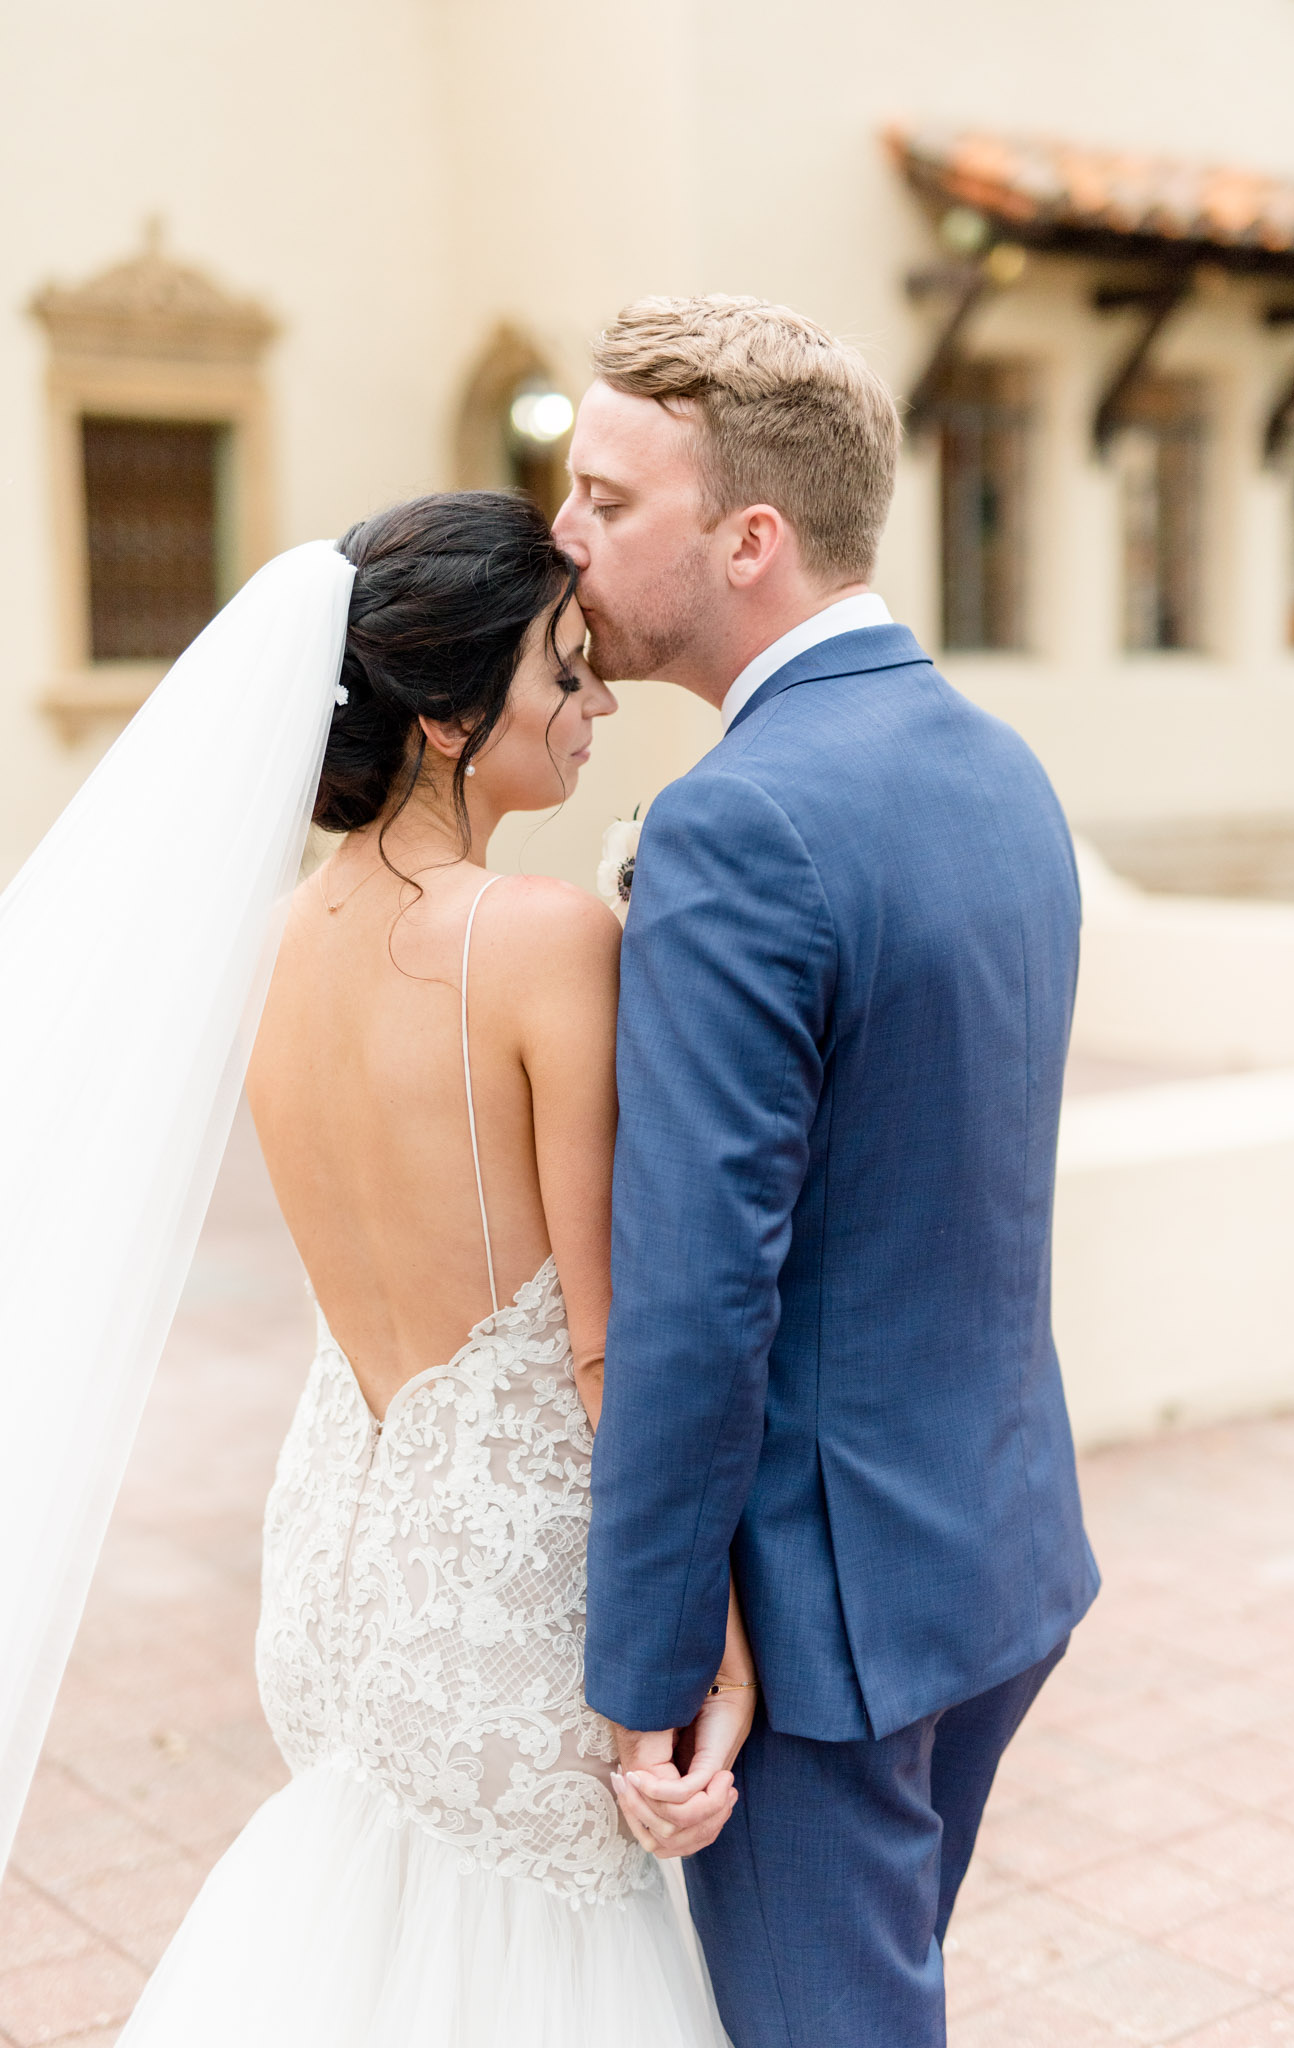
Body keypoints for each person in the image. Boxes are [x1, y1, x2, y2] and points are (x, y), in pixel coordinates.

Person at [110, 493, 739, 2046]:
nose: (597, 708)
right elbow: (608, 1350)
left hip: (341, 1566)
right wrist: (707, 1638)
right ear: (454, 720)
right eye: (564, 670)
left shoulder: (262, 943)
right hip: (508, 1603)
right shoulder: (538, 939)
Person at [554, 296, 1100, 2048]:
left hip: (824, 1635)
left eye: (605, 500)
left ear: (750, 539)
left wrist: (648, 1673)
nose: (563, 535)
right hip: (997, 1563)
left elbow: (702, 1287)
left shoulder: (739, 822)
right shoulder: (997, 766)